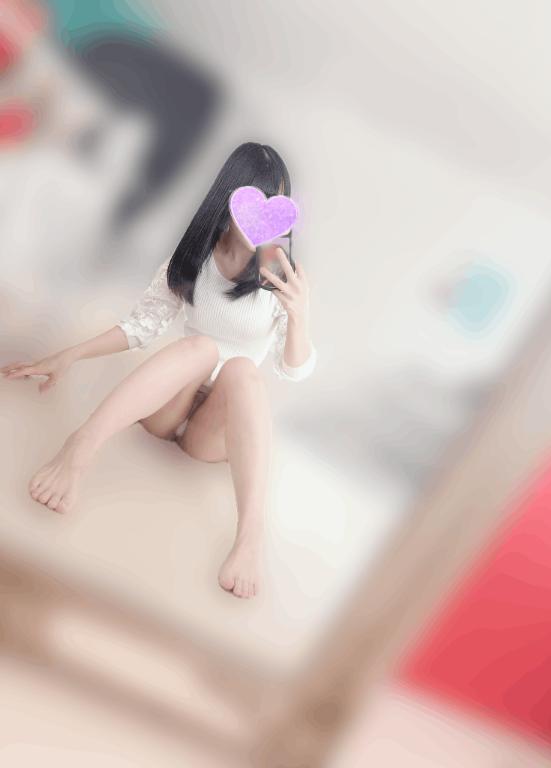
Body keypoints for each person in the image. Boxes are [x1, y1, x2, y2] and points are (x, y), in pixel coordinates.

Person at [1, 142, 317, 599]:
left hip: (214, 429)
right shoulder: (195, 256)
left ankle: (249, 536)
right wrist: (69, 354)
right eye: (256, 201)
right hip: (171, 402)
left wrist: (299, 317)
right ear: (229, 199)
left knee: (244, 372)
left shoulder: (281, 276)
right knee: (200, 347)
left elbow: (294, 370)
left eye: (275, 205)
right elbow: (141, 326)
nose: (263, 221)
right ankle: (81, 446)